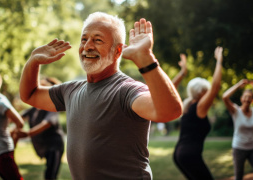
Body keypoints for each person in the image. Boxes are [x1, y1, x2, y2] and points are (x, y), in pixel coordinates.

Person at [20, 12, 183, 179]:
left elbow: (170, 111)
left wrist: (145, 58)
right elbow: (30, 95)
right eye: (84, 39)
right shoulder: (70, 90)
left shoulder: (126, 90)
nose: (88, 46)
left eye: (97, 40)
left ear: (118, 50)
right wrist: (33, 62)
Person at [173, 46, 223, 180]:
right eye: (206, 91)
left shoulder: (187, 105)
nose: (209, 96)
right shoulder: (199, 106)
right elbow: (216, 86)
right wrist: (219, 61)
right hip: (189, 155)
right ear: (201, 93)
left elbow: (170, 89)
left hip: (179, 154)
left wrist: (183, 72)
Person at [14, 77, 65, 180]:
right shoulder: (35, 108)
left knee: (50, 176)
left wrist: (28, 133)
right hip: (44, 147)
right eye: (39, 86)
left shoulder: (53, 107)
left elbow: (46, 123)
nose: (39, 89)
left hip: (55, 146)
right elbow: (18, 118)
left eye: (43, 86)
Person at [222, 79, 253, 180]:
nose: (247, 99)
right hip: (239, 148)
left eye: (250, 97)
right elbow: (225, 97)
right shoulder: (235, 111)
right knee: (239, 177)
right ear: (241, 99)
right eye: (245, 96)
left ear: (252, 100)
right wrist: (238, 85)